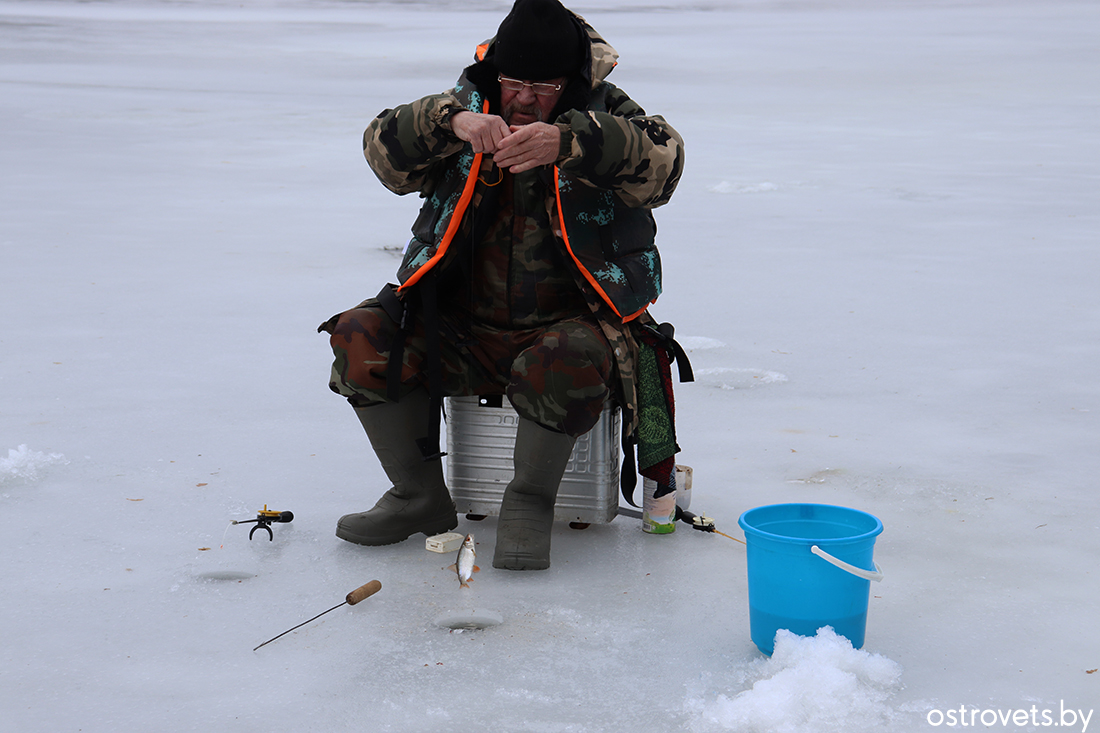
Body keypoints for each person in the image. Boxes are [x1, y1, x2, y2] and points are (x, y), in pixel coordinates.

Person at [320, 0, 684, 570]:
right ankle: (419, 498)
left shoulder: (607, 112)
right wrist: (449, 123)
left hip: (566, 332)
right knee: (360, 333)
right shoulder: (463, 110)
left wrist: (569, 144)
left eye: (541, 87)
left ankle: (529, 503)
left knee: (564, 356)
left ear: (568, 82)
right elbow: (383, 152)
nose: (522, 98)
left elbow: (665, 162)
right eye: (513, 82)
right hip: (459, 329)